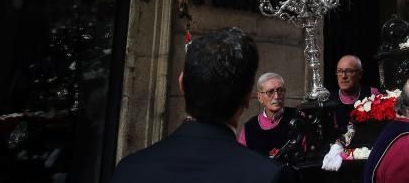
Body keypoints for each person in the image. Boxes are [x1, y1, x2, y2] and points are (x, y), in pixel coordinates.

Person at [111, 27, 287, 183]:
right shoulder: (269, 175)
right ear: (250, 96)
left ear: (182, 84)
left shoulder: (129, 169)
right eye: (271, 91)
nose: (276, 96)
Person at [238, 72, 300, 158]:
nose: (277, 96)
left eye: (280, 90)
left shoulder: (297, 118)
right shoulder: (249, 128)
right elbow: (242, 159)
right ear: (259, 97)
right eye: (270, 92)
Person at [331, 55, 381, 134]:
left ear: (360, 74)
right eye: (340, 71)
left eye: (349, 71)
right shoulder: (330, 99)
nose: (343, 76)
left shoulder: (374, 95)